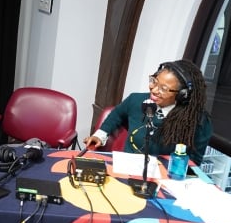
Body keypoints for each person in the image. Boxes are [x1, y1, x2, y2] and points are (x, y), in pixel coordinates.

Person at [83, 60, 212, 164]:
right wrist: (100, 134)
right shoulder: (136, 100)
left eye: (164, 88)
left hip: (163, 179)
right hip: (126, 168)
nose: (154, 90)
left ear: (182, 95)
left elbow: (194, 161)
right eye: (154, 81)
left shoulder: (198, 121)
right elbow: (116, 114)